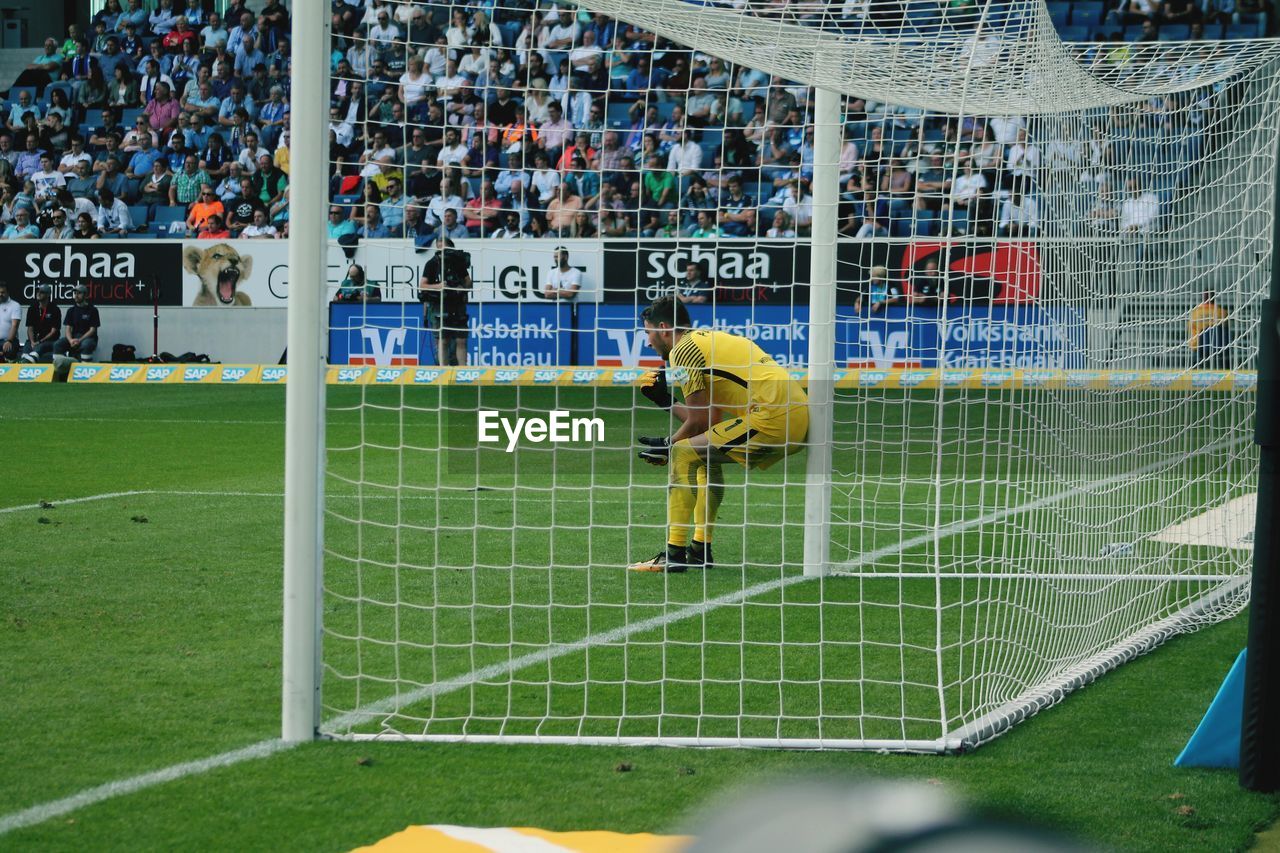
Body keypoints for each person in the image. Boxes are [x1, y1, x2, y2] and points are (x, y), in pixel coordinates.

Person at [628, 296, 809, 573]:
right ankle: (700, 550)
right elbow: (708, 422)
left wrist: (669, 445)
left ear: (664, 328)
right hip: (794, 417)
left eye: (649, 333)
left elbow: (699, 422)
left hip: (772, 416)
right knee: (702, 457)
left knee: (682, 454)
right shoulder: (705, 342)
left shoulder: (683, 350)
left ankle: (674, 554)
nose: (649, 342)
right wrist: (665, 402)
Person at [418, 237, 472, 367]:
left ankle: (462, 371)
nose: (441, 251)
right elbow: (422, 285)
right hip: (439, 306)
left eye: (444, 248)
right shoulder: (432, 263)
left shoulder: (458, 262)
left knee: (461, 340)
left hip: (458, 305)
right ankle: (443, 372)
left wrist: (462, 287)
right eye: (438, 248)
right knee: (443, 341)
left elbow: (468, 282)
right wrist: (439, 286)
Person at [56, 284, 100, 362]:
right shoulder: (71, 310)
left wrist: (79, 340)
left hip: (88, 338)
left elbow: (92, 330)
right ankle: (60, 370)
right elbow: (68, 329)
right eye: (75, 293)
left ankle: (84, 369)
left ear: (85, 295)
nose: (76, 295)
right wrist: (70, 340)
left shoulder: (93, 310)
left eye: (79, 293)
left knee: (86, 345)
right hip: (73, 338)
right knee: (58, 344)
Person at [1188, 291, 1231, 369]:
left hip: (1199, 347)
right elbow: (1225, 329)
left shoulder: (1195, 313)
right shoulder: (1222, 312)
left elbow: (1191, 329)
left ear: (1203, 298)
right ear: (1214, 297)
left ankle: (1195, 369)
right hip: (1220, 347)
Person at [20, 283, 61, 363]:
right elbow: (30, 328)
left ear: (48, 294)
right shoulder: (32, 308)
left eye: (41, 292)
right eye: (37, 291)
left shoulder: (55, 309)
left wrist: (40, 341)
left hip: (50, 341)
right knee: (25, 353)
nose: (38, 293)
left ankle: (29, 363)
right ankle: (23, 366)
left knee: (39, 348)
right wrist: (32, 342)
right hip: (34, 340)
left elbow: (53, 331)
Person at [0, 281, 21, 361]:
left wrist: (9, 341)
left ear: (8, 292)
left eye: (2, 292)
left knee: (9, 349)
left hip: (9, 340)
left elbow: (15, 325)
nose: (0, 294)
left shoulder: (15, 305)